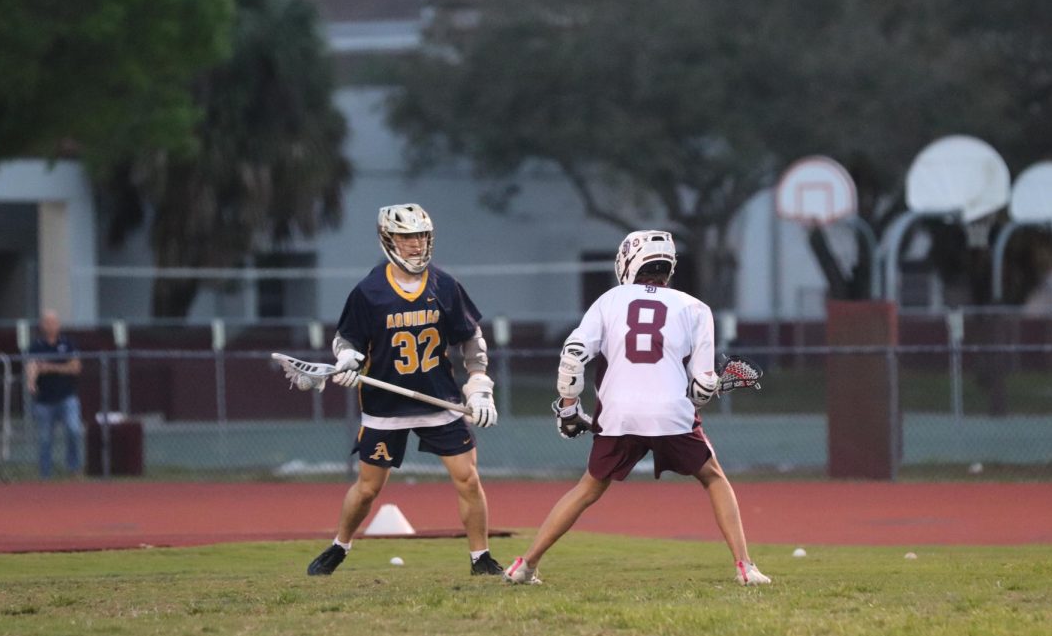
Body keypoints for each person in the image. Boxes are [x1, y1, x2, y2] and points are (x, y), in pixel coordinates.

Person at [503, 230, 771, 587]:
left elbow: (572, 358)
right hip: (671, 412)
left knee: (587, 489)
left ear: (628, 262)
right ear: (668, 266)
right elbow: (704, 386)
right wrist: (700, 393)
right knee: (713, 477)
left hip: (618, 413)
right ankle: (745, 567)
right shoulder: (695, 308)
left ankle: (525, 565)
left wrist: (568, 410)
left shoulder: (610, 300)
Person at [307, 203, 503, 577]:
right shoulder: (370, 290)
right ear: (388, 239)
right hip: (385, 405)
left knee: (468, 478)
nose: (415, 245)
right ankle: (340, 546)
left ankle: (481, 558)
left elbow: (471, 339)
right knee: (367, 489)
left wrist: (479, 385)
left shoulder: (445, 285)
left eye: (421, 236)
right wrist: (348, 360)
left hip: (438, 399)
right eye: (406, 237)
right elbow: (345, 339)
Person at [26, 309, 84, 479]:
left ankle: (74, 467)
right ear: (42, 325)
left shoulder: (68, 344)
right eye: (47, 322)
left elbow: (75, 367)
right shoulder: (36, 346)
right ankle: (45, 473)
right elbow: (32, 366)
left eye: (54, 322)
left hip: (67, 397)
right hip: (44, 400)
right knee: (45, 438)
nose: (51, 326)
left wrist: (50, 367)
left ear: (58, 325)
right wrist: (31, 382)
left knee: (73, 429)